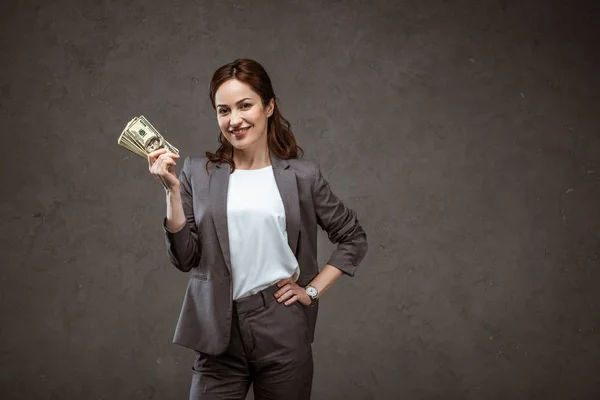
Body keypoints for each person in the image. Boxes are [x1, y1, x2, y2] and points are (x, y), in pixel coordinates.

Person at [148, 58, 368, 400]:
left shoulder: (302, 177)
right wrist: (171, 191)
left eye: (245, 105)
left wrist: (310, 292)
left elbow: (352, 237)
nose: (234, 120)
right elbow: (185, 257)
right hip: (217, 331)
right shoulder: (197, 173)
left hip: (281, 327)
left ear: (268, 106)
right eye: (224, 110)